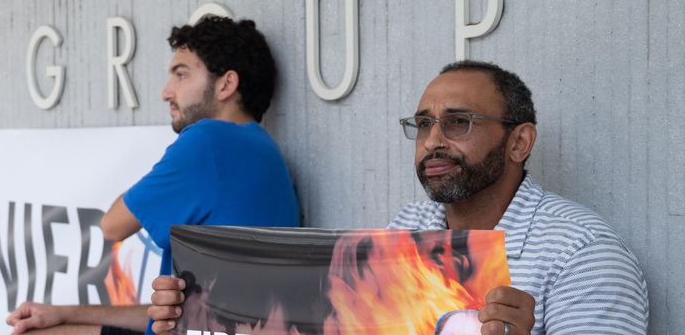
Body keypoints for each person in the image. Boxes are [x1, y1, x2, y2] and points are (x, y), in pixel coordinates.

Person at [146, 61, 649, 335]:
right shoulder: (410, 227)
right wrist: (198, 318)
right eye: (423, 124)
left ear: (519, 142)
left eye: (459, 123)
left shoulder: (584, 255)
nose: (433, 140)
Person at [6, 16, 301, 335]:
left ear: (226, 85)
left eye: (182, 75)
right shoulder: (263, 150)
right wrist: (63, 313)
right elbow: (172, 319)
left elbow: (113, 225)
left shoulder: (209, 141)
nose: (166, 92)